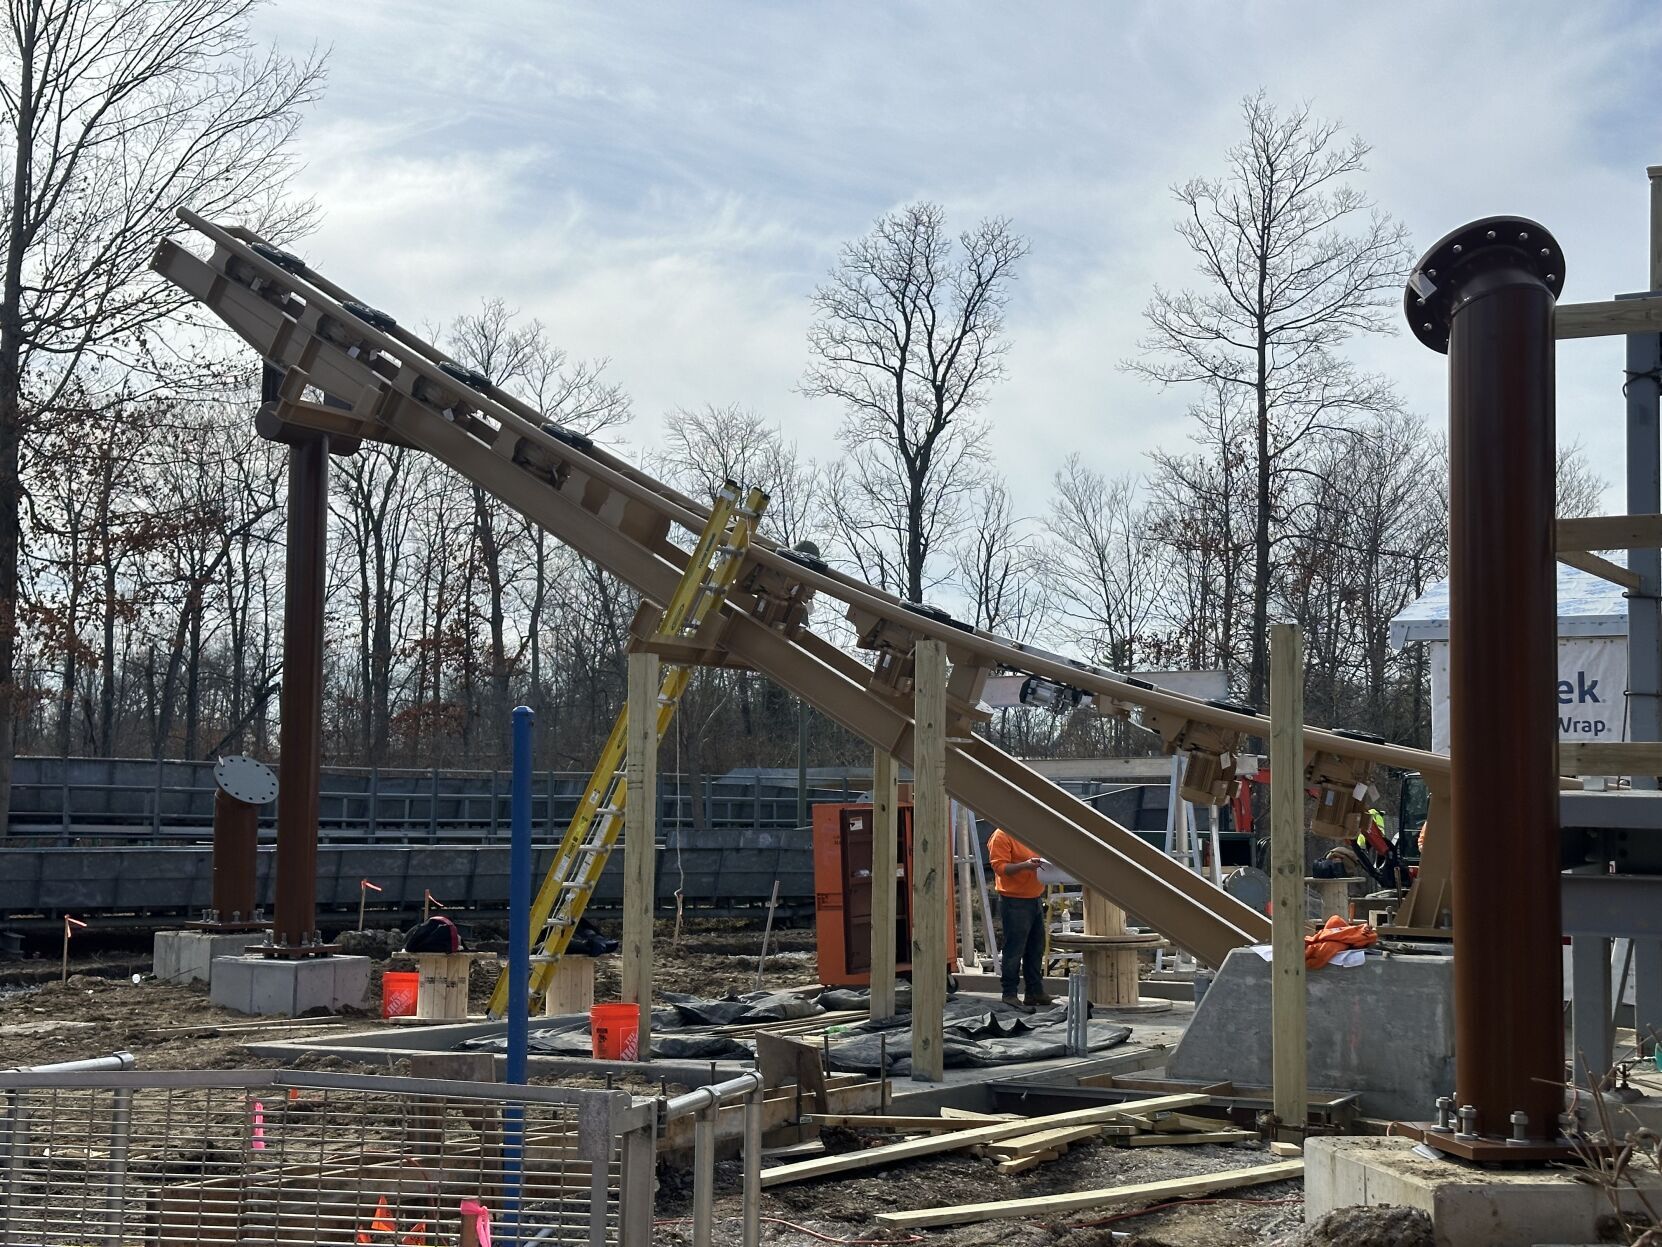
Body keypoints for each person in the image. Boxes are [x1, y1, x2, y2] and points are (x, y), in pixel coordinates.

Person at [987, 825, 1052, 1012]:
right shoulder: (1002, 835)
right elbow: (1000, 867)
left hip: (1034, 897)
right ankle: (1009, 993)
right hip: (1014, 900)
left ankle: (1034, 991)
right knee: (1014, 948)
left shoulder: (1030, 832)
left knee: (1036, 947)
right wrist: (1025, 865)